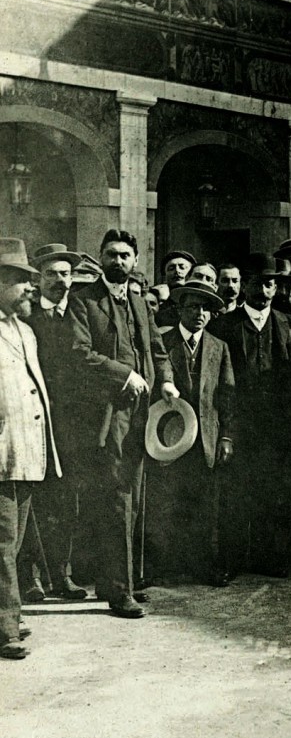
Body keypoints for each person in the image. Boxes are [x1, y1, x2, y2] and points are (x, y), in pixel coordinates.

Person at [68, 229, 178, 618]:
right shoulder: (83, 301)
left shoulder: (140, 303)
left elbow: (159, 352)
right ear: (100, 258)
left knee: (133, 499)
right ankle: (120, 591)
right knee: (117, 500)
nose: (118, 262)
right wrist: (123, 375)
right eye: (112, 255)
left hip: (142, 415)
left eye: (125, 256)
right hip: (106, 415)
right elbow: (79, 354)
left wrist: (165, 380)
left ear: (135, 262)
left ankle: (120, 580)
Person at [207, 252, 291, 578]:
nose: (265, 289)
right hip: (240, 420)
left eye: (271, 283)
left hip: (279, 422)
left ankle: (268, 556)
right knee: (236, 490)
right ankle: (230, 560)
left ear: (276, 288)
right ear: (245, 285)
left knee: (274, 490)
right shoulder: (224, 326)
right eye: (258, 282)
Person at [149, 279, 235, 586]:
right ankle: (163, 565)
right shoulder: (164, 342)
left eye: (205, 308)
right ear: (179, 309)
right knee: (167, 499)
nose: (199, 313)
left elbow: (227, 395)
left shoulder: (219, 347)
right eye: (192, 306)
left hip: (207, 439)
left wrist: (226, 436)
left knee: (205, 505)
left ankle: (203, 566)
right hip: (170, 438)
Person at [0, 239, 61, 659]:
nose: (30, 290)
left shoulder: (25, 332)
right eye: (22, 282)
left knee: (14, 543)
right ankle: (5, 628)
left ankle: (8, 613)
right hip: (2, 455)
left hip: (27, 453)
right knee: (3, 544)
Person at [23, 244, 87, 600]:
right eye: (52, 274)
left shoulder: (81, 311)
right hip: (34, 421)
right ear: (40, 278)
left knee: (66, 503)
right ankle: (30, 578)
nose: (60, 280)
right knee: (32, 504)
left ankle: (62, 576)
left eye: (66, 273)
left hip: (72, 426)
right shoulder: (27, 316)